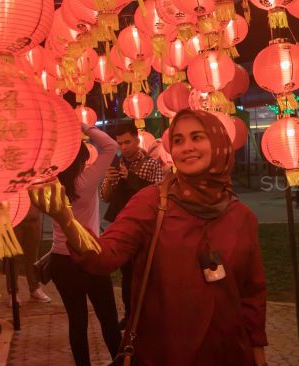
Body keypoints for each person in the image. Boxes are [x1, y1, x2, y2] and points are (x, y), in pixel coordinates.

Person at [32, 110, 268, 366]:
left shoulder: (241, 217)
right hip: (165, 350)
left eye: (196, 137)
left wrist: (258, 353)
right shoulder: (152, 202)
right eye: (178, 140)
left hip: (228, 351)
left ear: (219, 144)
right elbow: (105, 256)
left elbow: (251, 293)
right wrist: (66, 220)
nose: (186, 147)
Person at [50, 123, 122, 366]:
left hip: (60, 260)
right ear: (82, 159)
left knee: (77, 321)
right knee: (108, 319)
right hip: (89, 256)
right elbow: (110, 146)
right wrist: (81, 126)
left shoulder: (52, 185)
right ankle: (120, 361)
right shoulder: (85, 182)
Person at [100, 123, 163, 327]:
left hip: (146, 228)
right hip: (123, 227)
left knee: (148, 271)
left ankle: (150, 314)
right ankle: (130, 315)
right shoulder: (116, 165)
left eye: (127, 142)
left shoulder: (151, 164)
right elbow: (106, 198)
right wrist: (110, 181)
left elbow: (159, 194)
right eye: (120, 144)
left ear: (137, 140)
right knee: (127, 274)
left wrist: (131, 178)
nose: (124, 147)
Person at [4, 204, 51, 305]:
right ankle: (13, 292)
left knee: (33, 257)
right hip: (14, 220)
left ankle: (34, 290)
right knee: (14, 258)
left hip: (33, 218)